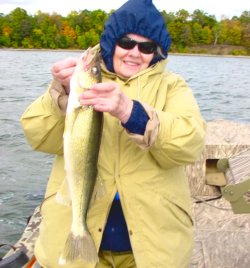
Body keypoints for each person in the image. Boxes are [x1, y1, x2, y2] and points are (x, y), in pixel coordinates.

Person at [21, 0, 206, 267]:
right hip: (80, 247)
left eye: (146, 47)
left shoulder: (173, 86)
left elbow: (190, 143)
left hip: (150, 252)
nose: (134, 53)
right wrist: (59, 96)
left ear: (157, 52)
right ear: (111, 43)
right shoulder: (79, 84)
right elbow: (36, 135)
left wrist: (133, 114)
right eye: (126, 42)